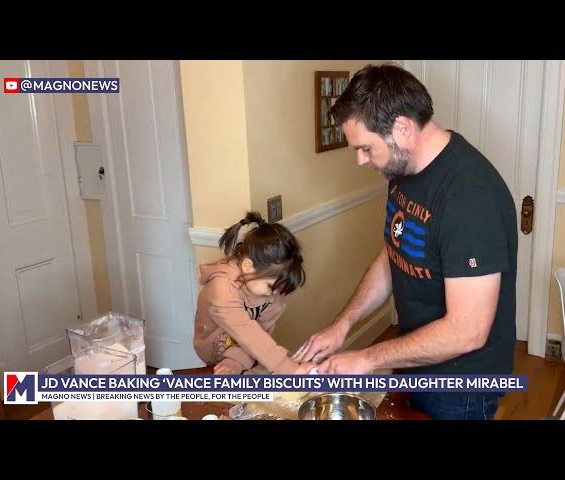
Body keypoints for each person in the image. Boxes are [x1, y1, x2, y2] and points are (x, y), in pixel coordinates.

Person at [292, 64, 518, 420]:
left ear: (401, 128)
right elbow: (393, 254)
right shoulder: (403, 171)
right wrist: (344, 324)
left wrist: (368, 357)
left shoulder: (470, 198)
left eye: (365, 147)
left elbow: (467, 332)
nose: (359, 160)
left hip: (462, 384)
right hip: (418, 360)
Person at [194, 211, 315, 375]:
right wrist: (291, 370)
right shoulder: (222, 289)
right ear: (248, 267)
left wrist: (237, 361)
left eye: (279, 290)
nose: (273, 295)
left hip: (247, 350)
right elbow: (248, 334)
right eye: (270, 287)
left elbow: (260, 333)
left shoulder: (271, 290)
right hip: (212, 349)